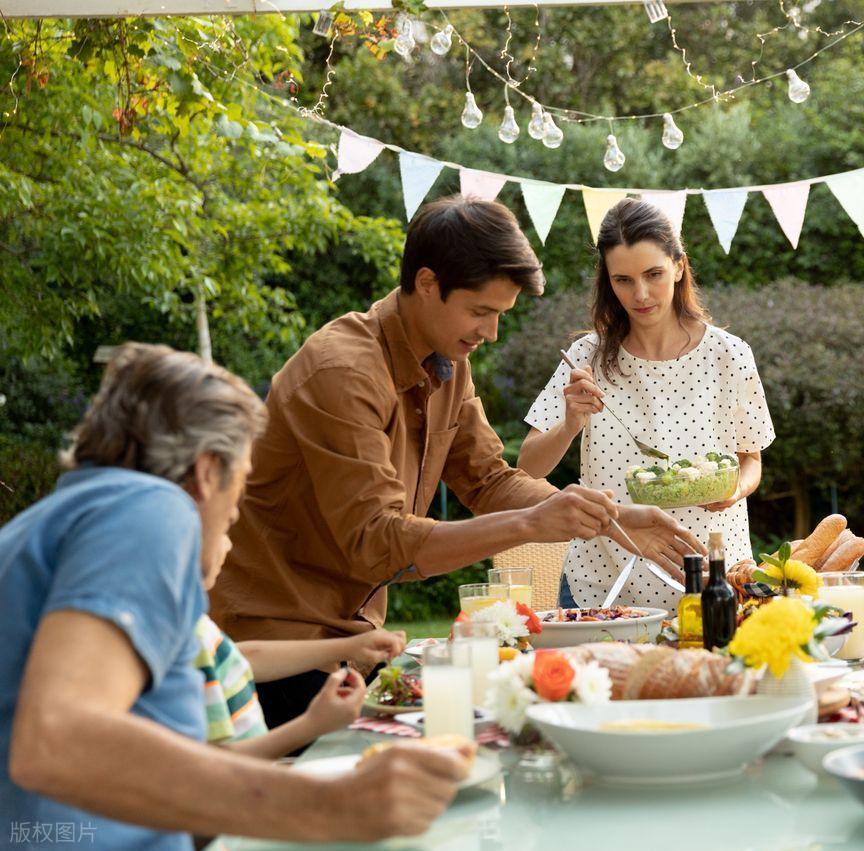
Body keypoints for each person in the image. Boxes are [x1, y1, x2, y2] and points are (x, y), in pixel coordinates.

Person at [210, 195, 701, 727]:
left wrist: (611, 517)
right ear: (426, 284)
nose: (490, 333)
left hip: (353, 641)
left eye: (499, 315)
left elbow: (489, 479)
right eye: (480, 311)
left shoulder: (447, 361)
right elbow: (376, 543)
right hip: (271, 649)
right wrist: (531, 523)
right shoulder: (344, 372)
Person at [2, 344, 469, 849]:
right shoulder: (144, 508)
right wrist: (329, 807)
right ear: (207, 471)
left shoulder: (66, 518)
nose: (236, 510)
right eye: (242, 479)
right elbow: (57, 743)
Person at [518, 198, 775, 610]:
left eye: (653, 274)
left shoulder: (729, 354)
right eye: (623, 280)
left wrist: (733, 490)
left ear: (678, 265)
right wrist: (569, 424)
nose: (640, 294)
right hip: (602, 582)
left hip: (713, 578)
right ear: (608, 281)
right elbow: (527, 469)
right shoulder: (586, 356)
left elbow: (751, 460)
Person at [196, 533, 407, 758]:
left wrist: (350, 647)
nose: (229, 544)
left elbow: (244, 657)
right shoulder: (185, 646)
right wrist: (312, 724)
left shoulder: (197, 627)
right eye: (223, 528)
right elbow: (218, 762)